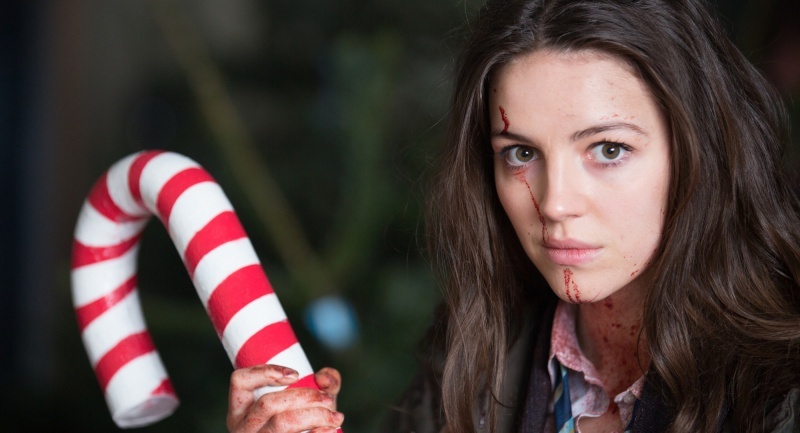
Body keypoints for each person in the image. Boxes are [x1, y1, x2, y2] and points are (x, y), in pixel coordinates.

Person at [226, 0, 800, 432]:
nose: (554, 203)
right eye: (521, 153)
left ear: (699, 151)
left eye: (608, 149)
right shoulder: (476, 359)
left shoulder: (782, 390)